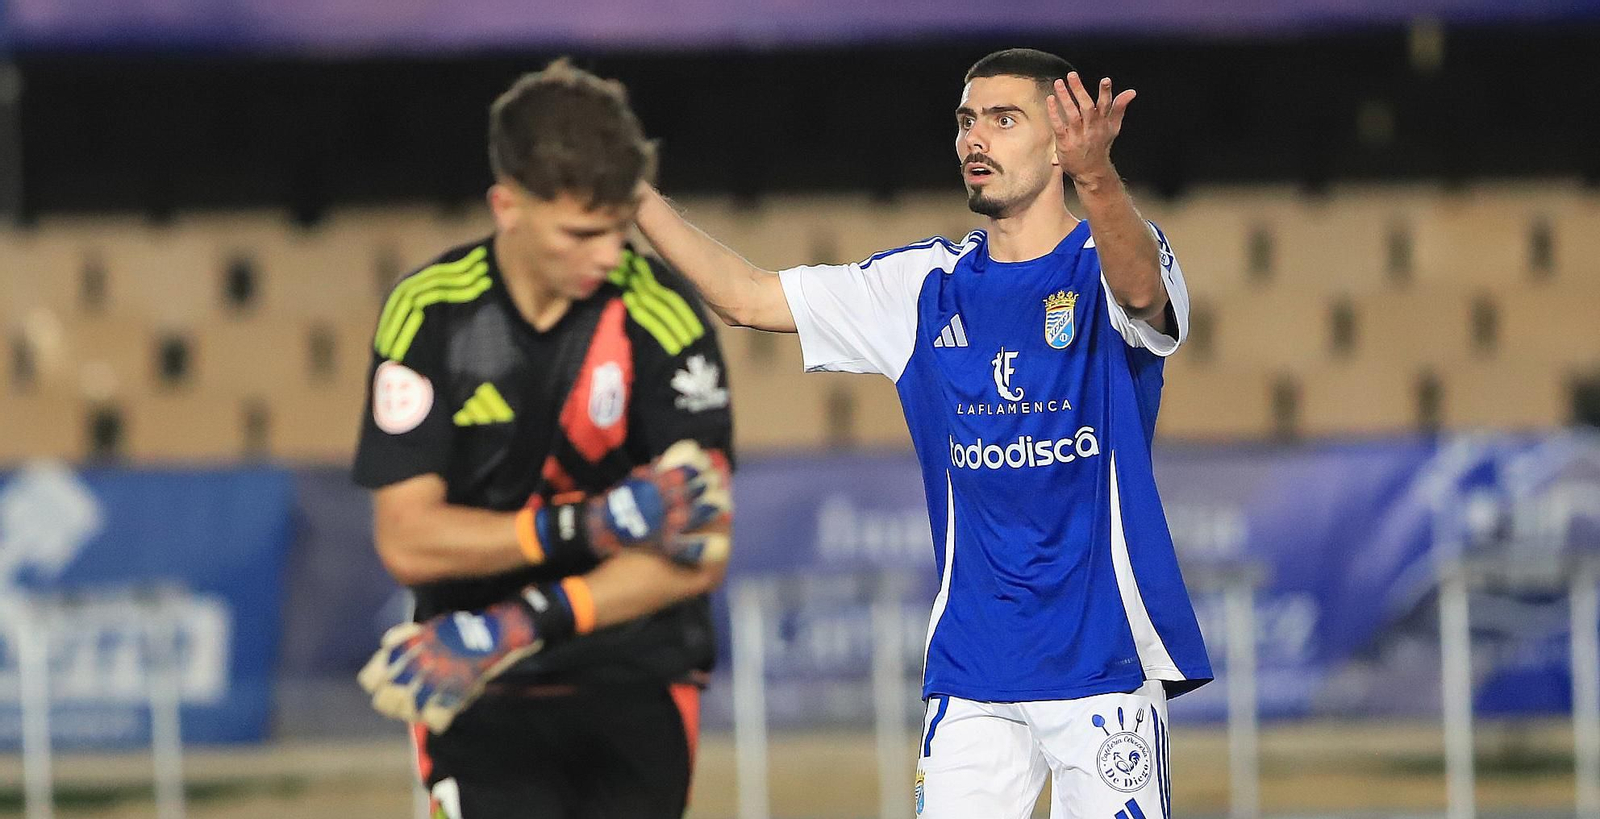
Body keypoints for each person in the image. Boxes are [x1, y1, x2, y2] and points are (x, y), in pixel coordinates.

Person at [632, 48, 1212, 818]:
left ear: (1059, 141)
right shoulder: (922, 287)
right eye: (967, 121)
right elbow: (745, 296)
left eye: (1005, 120)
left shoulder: (1106, 265)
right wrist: (628, 193)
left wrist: (1097, 179)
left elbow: (1144, 292)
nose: (976, 138)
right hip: (973, 673)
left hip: (1104, 666)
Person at [351, 60, 735, 819]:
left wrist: (518, 622)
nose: (607, 253)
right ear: (507, 206)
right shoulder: (428, 314)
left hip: (636, 672)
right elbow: (407, 540)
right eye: (580, 232)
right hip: (478, 684)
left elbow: (701, 551)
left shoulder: (664, 318)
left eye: (618, 228)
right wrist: (586, 526)